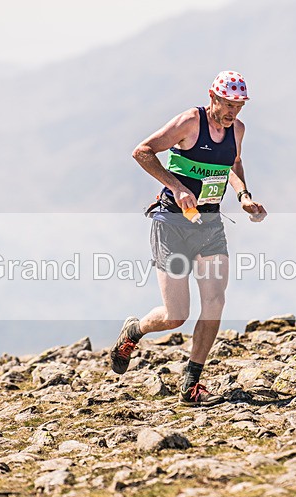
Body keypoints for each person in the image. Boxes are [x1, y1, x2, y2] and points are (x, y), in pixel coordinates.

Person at [109, 70, 267, 406]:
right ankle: (134, 331)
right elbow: (143, 152)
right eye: (227, 104)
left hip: (209, 225)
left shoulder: (237, 130)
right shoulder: (189, 123)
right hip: (172, 225)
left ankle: (192, 383)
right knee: (176, 315)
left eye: (239, 106)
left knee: (214, 302)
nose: (232, 112)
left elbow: (232, 165)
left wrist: (244, 197)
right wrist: (177, 187)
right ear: (213, 96)